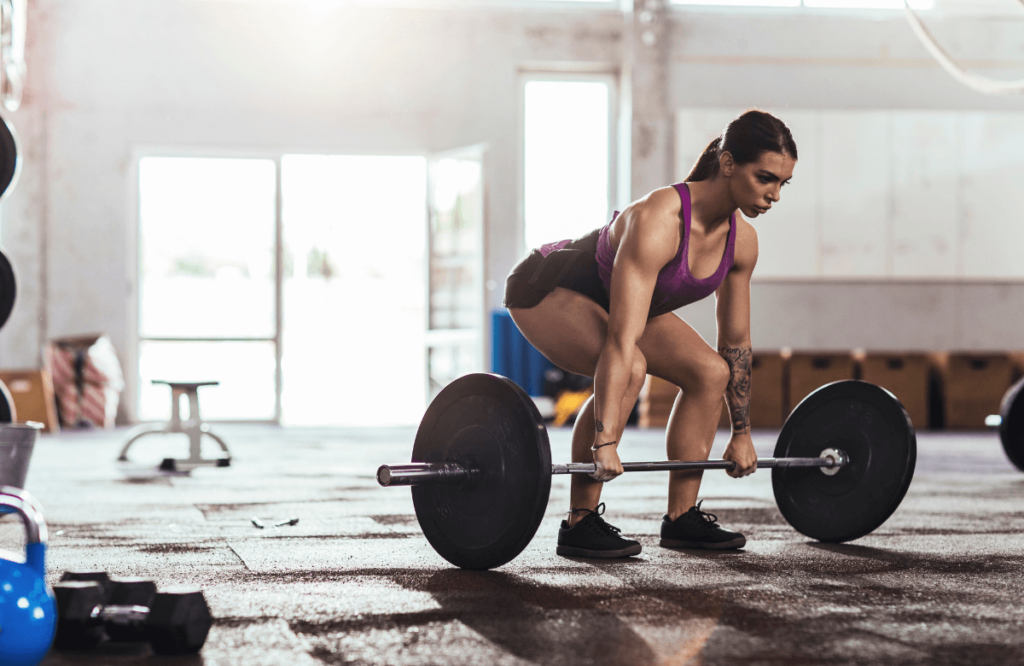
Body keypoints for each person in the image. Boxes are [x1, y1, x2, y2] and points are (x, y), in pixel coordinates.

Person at [504, 109, 797, 559]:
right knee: (632, 367)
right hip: (547, 287)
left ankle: (682, 519)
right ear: (728, 164)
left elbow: (736, 343)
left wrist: (742, 432)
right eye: (765, 178)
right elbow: (622, 343)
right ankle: (579, 522)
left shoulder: (742, 242)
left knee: (710, 372)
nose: (774, 194)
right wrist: (606, 442)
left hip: (620, 301)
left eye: (783, 183)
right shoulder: (661, 218)